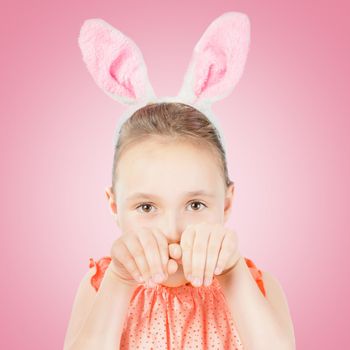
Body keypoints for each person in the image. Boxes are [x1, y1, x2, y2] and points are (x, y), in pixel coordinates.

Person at [64, 12, 295, 350]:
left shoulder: (256, 285)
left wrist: (232, 276)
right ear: (114, 206)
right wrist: (119, 279)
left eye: (195, 204)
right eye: (146, 206)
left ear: (227, 202)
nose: (173, 230)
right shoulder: (101, 285)